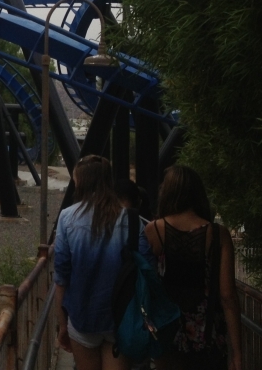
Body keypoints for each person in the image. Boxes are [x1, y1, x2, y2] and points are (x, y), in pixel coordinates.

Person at [55, 155, 150, 370]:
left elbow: (61, 277)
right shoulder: (133, 221)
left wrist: (62, 324)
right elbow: (146, 267)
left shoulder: (67, 218)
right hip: (121, 318)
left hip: (82, 316)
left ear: (81, 183)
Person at [144, 165, 243, 370]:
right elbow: (228, 296)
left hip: (166, 331)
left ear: (167, 193)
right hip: (209, 334)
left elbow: (147, 280)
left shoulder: (154, 230)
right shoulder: (219, 235)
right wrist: (237, 352)